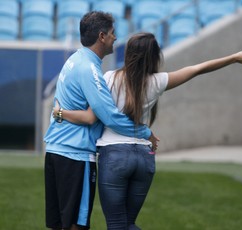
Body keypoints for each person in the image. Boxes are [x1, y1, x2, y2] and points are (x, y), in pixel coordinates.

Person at [53, 32, 242, 229]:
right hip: (144, 158)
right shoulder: (157, 81)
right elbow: (197, 69)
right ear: (154, 56)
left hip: (114, 155)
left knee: (117, 225)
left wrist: (60, 112)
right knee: (127, 224)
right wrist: (233, 58)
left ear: (128, 53)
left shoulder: (108, 78)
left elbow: (92, 115)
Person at [44, 13, 158, 230]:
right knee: (76, 225)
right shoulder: (90, 69)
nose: (116, 38)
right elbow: (110, 116)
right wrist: (145, 132)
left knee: (59, 224)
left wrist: (61, 114)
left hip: (56, 151)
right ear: (102, 36)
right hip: (75, 155)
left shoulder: (74, 60)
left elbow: (79, 113)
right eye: (113, 33)